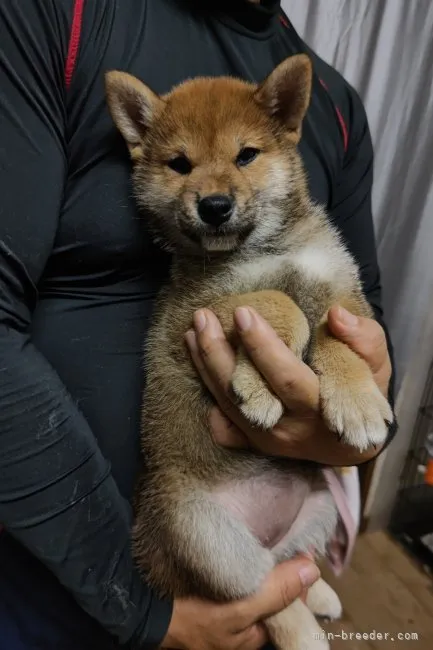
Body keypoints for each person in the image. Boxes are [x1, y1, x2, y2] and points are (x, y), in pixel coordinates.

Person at [0, 0, 396, 648]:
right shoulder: (51, 17)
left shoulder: (334, 104)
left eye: (244, 156)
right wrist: (144, 614)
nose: (212, 189)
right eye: (179, 165)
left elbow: (368, 324)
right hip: (61, 581)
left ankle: (285, 586)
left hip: (263, 539)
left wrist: (362, 419)